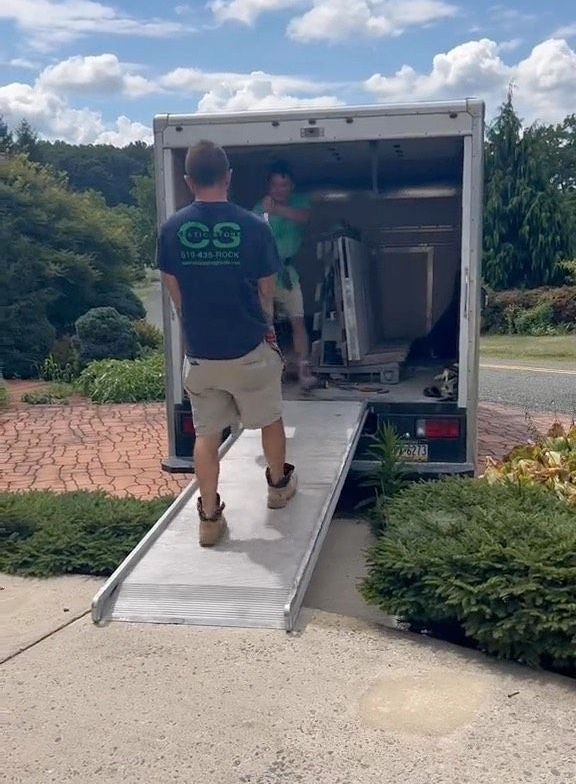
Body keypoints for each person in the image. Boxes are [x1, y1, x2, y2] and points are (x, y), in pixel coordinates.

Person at [158, 141, 297, 548]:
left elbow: (174, 291)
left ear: (187, 182)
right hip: (249, 349)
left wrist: (198, 324)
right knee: (270, 418)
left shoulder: (170, 230)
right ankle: (277, 487)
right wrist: (266, 327)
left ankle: (209, 518)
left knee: (207, 433)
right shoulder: (256, 227)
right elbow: (266, 291)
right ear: (229, 178)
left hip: (202, 355)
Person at [253, 161, 316, 390]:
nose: (280, 190)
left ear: (292, 187)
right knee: (266, 324)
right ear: (269, 186)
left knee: (298, 321)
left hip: (289, 273)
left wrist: (276, 210)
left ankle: (303, 369)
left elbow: (304, 218)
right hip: (266, 274)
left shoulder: (299, 203)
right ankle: (270, 372)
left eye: (284, 185)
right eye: (275, 185)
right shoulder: (258, 208)